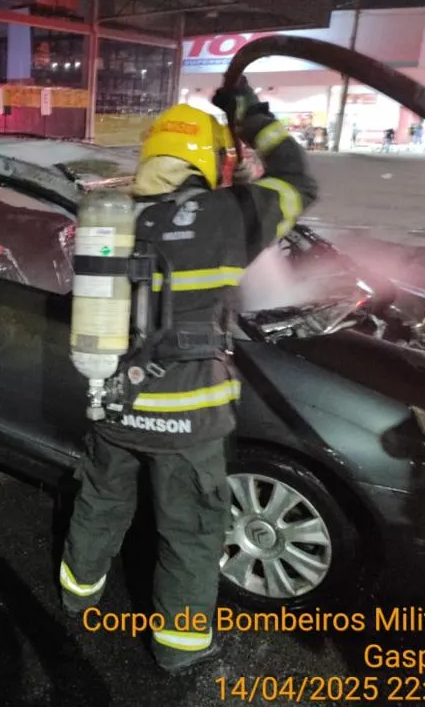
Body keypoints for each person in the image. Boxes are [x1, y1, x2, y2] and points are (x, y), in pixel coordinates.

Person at [58, 78, 319, 675]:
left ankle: (78, 596)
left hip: (115, 407)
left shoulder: (119, 217)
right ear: (208, 159)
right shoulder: (233, 214)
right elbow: (299, 179)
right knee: (193, 532)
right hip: (191, 418)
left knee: (99, 503)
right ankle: (179, 648)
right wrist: (251, 117)